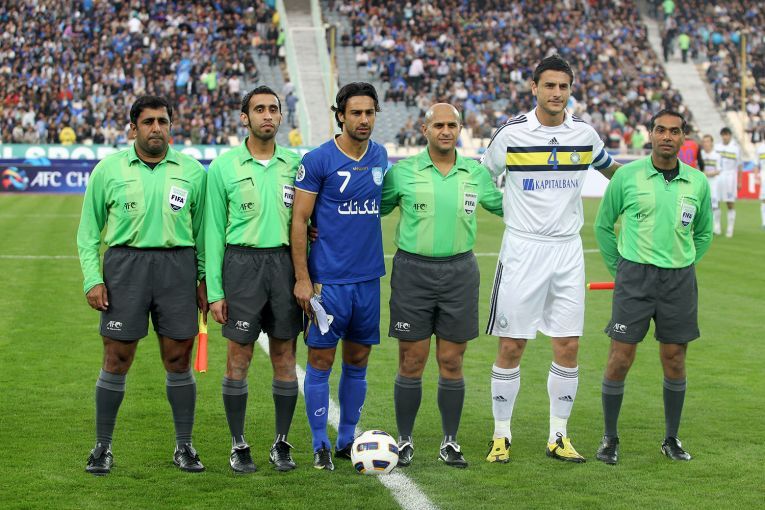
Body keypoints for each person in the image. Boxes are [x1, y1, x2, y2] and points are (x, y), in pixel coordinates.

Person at [480, 54, 621, 464]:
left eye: (563, 86)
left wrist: (652, 180)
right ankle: (501, 435)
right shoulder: (512, 133)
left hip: (568, 250)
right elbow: (480, 178)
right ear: (534, 88)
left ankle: (558, 436)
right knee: (512, 344)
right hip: (522, 249)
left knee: (568, 343)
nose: (556, 93)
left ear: (570, 89)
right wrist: (506, 209)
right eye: (549, 86)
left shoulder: (584, 134)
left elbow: (615, 172)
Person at [77, 95, 208, 475]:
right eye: (148, 122)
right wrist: (93, 279)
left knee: (178, 358)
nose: (156, 128)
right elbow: (88, 232)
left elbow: (205, 234)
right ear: (133, 128)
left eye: (163, 121)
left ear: (171, 126)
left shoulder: (192, 171)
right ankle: (102, 447)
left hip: (177, 268)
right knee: (116, 358)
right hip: (125, 267)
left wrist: (204, 280)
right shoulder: (108, 169)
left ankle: (184, 446)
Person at [381, 103, 503, 468]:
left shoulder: (475, 173)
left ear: (460, 129)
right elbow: (370, 210)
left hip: (459, 273)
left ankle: (450, 441)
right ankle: (405, 439)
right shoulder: (402, 173)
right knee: (412, 359)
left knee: (451, 360)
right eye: (439, 125)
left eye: (452, 125)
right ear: (425, 130)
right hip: (412, 272)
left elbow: (509, 208)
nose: (446, 131)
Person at [593, 109, 713, 464]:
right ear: (651, 134)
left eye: (674, 131)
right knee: (620, 358)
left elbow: (703, 233)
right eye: (661, 130)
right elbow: (603, 226)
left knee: (674, 359)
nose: (667, 136)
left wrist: (683, 259)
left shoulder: (697, 182)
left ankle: (671, 439)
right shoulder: (627, 176)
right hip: (635, 278)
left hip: (678, 281)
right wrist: (621, 269)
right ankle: (609, 438)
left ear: (683, 137)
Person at [204, 86, 302, 473]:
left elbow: (308, 222)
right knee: (239, 357)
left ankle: (281, 442)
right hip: (241, 265)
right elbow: (213, 231)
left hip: (284, 265)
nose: (267, 115)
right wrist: (215, 291)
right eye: (259, 109)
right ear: (245, 118)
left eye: (273, 109)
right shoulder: (224, 167)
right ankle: (238, 443)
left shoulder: (296, 164)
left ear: (281, 116)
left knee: (285, 356)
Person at [290, 82, 388, 471]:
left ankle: (347, 439)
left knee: (358, 359)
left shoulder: (380, 156)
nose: (364, 120)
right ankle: (319, 443)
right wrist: (302, 278)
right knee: (320, 359)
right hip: (327, 282)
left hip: (368, 279)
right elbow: (300, 220)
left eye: (369, 113)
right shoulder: (318, 160)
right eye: (356, 113)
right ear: (340, 116)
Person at [714, 127, 742, 237]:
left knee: (729, 203)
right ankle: (717, 227)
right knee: (716, 202)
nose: (725, 137)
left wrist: (739, 181)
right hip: (718, 177)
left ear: (730, 136)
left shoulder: (735, 148)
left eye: (727, 135)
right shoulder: (717, 147)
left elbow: (740, 166)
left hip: (730, 178)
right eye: (723, 135)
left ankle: (730, 228)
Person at [700, 134, 722, 231]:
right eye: (704, 141)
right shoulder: (700, 154)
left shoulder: (717, 155)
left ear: (712, 143)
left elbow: (718, 170)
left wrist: (707, 174)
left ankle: (716, 227)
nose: (705, 144)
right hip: (702, 182)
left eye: (707, 141)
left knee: (714, 205)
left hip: (713, 182)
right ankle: (704, 227)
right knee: (702, 205)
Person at [756, 140, 765, 229]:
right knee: (764, 199)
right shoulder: (760, 149)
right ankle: (764, 222)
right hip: (764, 176)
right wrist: (756, 177)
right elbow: (756, 164)